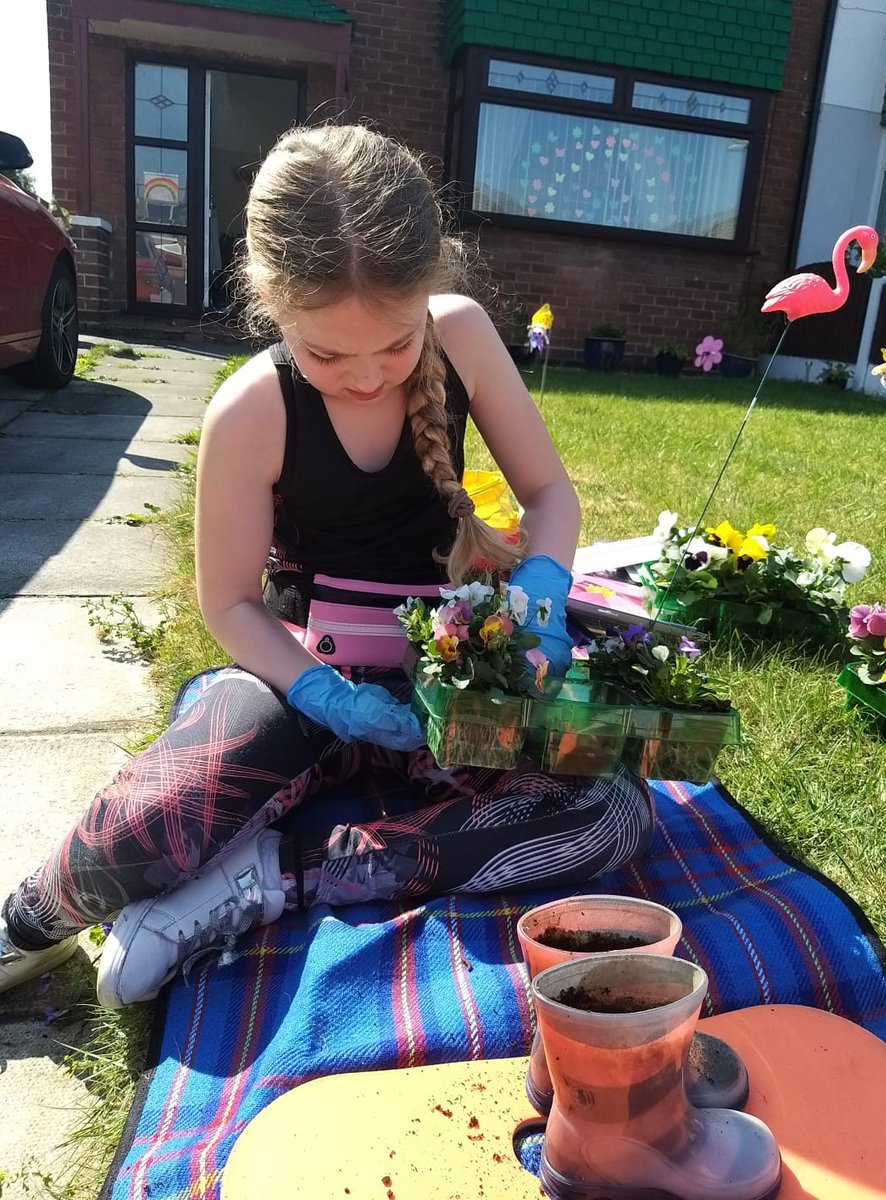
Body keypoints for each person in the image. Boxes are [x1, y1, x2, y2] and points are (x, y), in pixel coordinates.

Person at [0, 123, 654, 1008]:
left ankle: (273, 876)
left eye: (394, 345)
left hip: (455, 687)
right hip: (303, 679)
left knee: (608, 811)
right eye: (327, 355)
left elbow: (548, 495)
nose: (367, 379)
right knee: (172, 803)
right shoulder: (252, 410)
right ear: (271, 304)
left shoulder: (460, 336)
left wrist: (541, 588)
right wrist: (318, 694)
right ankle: (28, 922)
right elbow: (229, 603)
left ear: (430, 290)